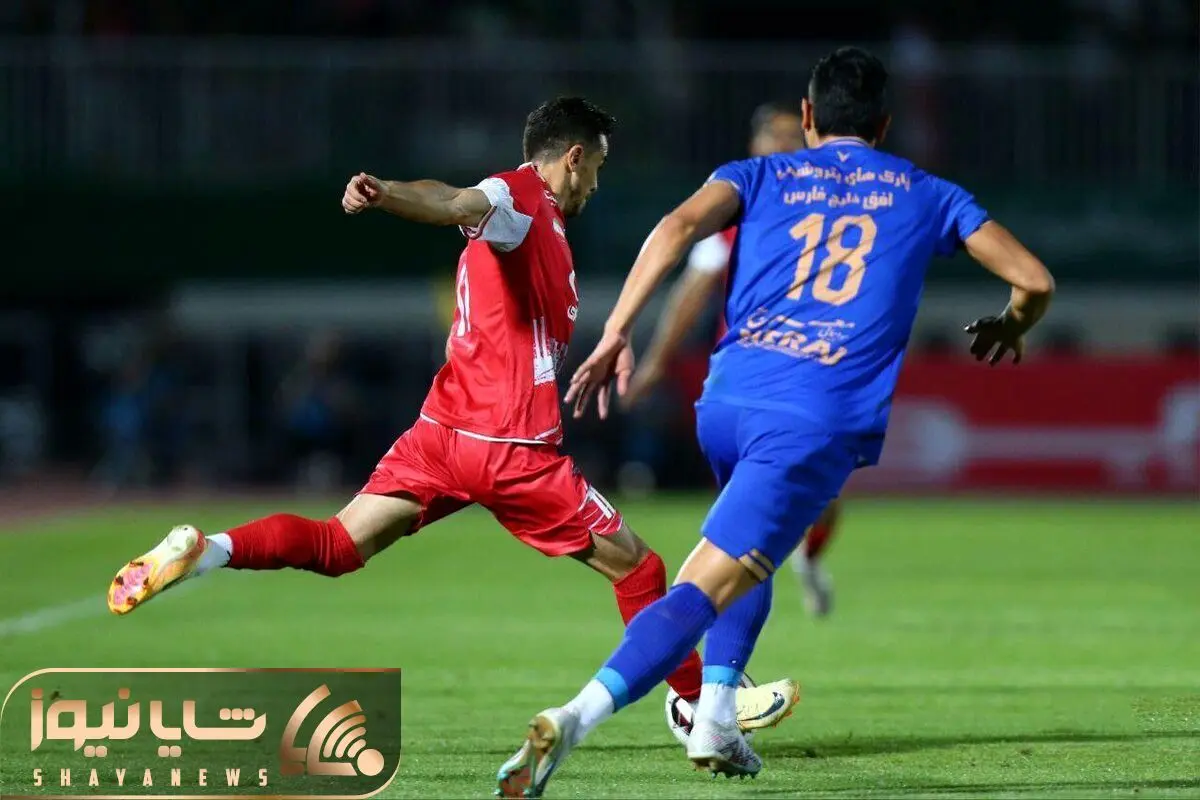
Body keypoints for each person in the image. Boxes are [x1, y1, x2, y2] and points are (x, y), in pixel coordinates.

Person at [104, 96, 798, 740]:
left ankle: (207, 550)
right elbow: (457, 201)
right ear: (574, 157)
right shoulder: (521, 198)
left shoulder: (544, 229)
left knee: (338, 545)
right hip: (511, 450)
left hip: (441, 436)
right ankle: (700, 704)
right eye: (598, 167)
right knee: (641, 569)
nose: (596, 184)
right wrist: (388, 194)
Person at [495, 48, 1055, 798]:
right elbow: (1033, 280)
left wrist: (619, 329)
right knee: (703, 585)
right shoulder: (926, 192)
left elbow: (676, 226)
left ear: (810, 116)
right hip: (811, 417)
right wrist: (1013, 323)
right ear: (885, 125)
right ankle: (572, 719)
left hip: (727, 401)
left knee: (748, 557)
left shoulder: (756, 174)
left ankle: (717, 720)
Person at [624, 101, 841, 618]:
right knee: (750, 504)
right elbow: (693, 289)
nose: (786, 147)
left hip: (815, 373)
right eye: (776, 138)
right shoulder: (734, 212)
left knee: (825, 492)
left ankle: (804, 558)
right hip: (748, 376)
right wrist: (655, 361)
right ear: (754, 146)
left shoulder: (834, 210)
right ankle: (710, 623)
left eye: (794, 137)